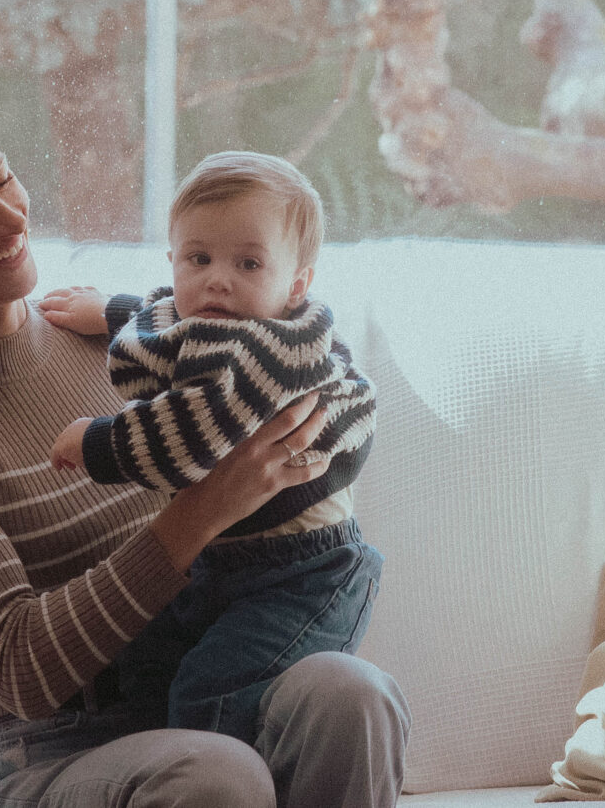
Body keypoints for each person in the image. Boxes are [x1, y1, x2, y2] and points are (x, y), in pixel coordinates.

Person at [0, 73, 409, 808]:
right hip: (52, 750)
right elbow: (19, 670)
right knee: (214, 773)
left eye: (4, 179)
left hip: (193, 692)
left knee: (352, 694)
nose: (11, 216)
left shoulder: (119, 345)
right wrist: (205, 509)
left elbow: (298, 365)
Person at [41, 151, 383, 744]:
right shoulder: (224, 320)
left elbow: (188, 438)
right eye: (197, 258)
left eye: (249, 263)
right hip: (219, 561)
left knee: (213, 694)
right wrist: (111, 311)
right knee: (141, 670)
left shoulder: (273, 352)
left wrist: (98, 442)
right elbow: (172, 328)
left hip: (304, 573)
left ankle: (231, 780)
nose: (217, 280)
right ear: (173, 259)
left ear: (296, 285)